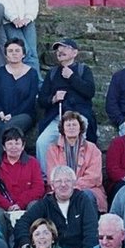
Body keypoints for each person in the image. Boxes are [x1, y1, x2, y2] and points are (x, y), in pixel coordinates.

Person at [36, 38, 97, 171]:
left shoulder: (83, 70)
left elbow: (90, 92)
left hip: (79, 117)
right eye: (58, 49)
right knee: (42, 142)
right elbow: (41, 100)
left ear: (75, 53)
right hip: (57, 118)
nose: (60, 51)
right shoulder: (52, 73)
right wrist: (53, 99)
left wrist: (72, 77)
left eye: (65, 48)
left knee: (80, 142)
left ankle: (78, 175)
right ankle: (46, 178)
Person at [13, 166, 100, 248]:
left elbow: (91, 231)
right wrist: (25, 243)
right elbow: (22, 223)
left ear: (74, 184)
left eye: (67, 181)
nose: (63, 184)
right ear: (52, 186)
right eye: (58, 181)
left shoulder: (83, 200)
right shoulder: (45, 204)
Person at [0, 127, 45, 244]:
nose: (13, 147)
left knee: (35, 205)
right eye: (9, 143)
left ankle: (32, 244)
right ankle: (3, 247)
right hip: (5, 207)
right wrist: (8, 206)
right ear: (4, 147)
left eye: (17, 143)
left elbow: (38, 188)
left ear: (23, 146)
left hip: (25, 205)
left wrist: (20, 203)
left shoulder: (32, 162)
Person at [44, 110, 106, 211]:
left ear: (80, 128)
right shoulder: (53, 149)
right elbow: (53, 175)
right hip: (60, 189)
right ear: (63, 128)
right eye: (68, 125)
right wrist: (67, 187)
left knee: (85, 196)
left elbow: (94, 177)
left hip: (88, 189)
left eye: (74, 125)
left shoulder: (92, 148)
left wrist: (73, 187)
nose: (71, 127)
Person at [0, 38, 39, 160]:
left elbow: (30, 100)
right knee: (7, 128)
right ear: (6, 55)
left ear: (23, 54)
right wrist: (1, 113)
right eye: (10, 51)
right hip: (1, 116)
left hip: (24, 115)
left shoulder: (32, 73)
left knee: (8, 128)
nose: (14, 53)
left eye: (17, 51)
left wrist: (11, 115)